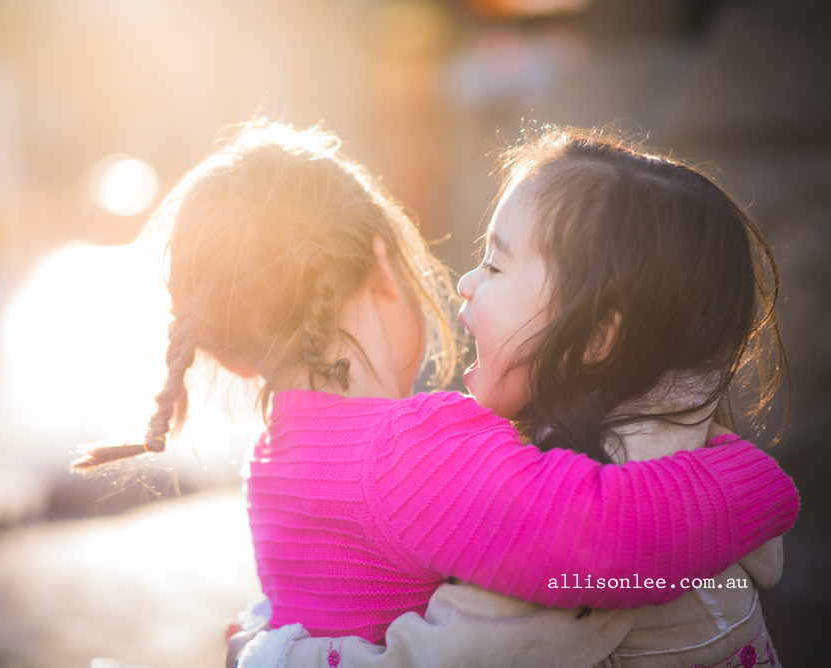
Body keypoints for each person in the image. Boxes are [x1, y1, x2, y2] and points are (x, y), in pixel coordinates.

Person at [69, 122, 797, 659]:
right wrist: (753, 480)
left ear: (235, 349)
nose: (463, 288)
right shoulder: (413, 448)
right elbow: (597, 539)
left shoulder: (273, 461)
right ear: (384, 269)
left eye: (496, 266)